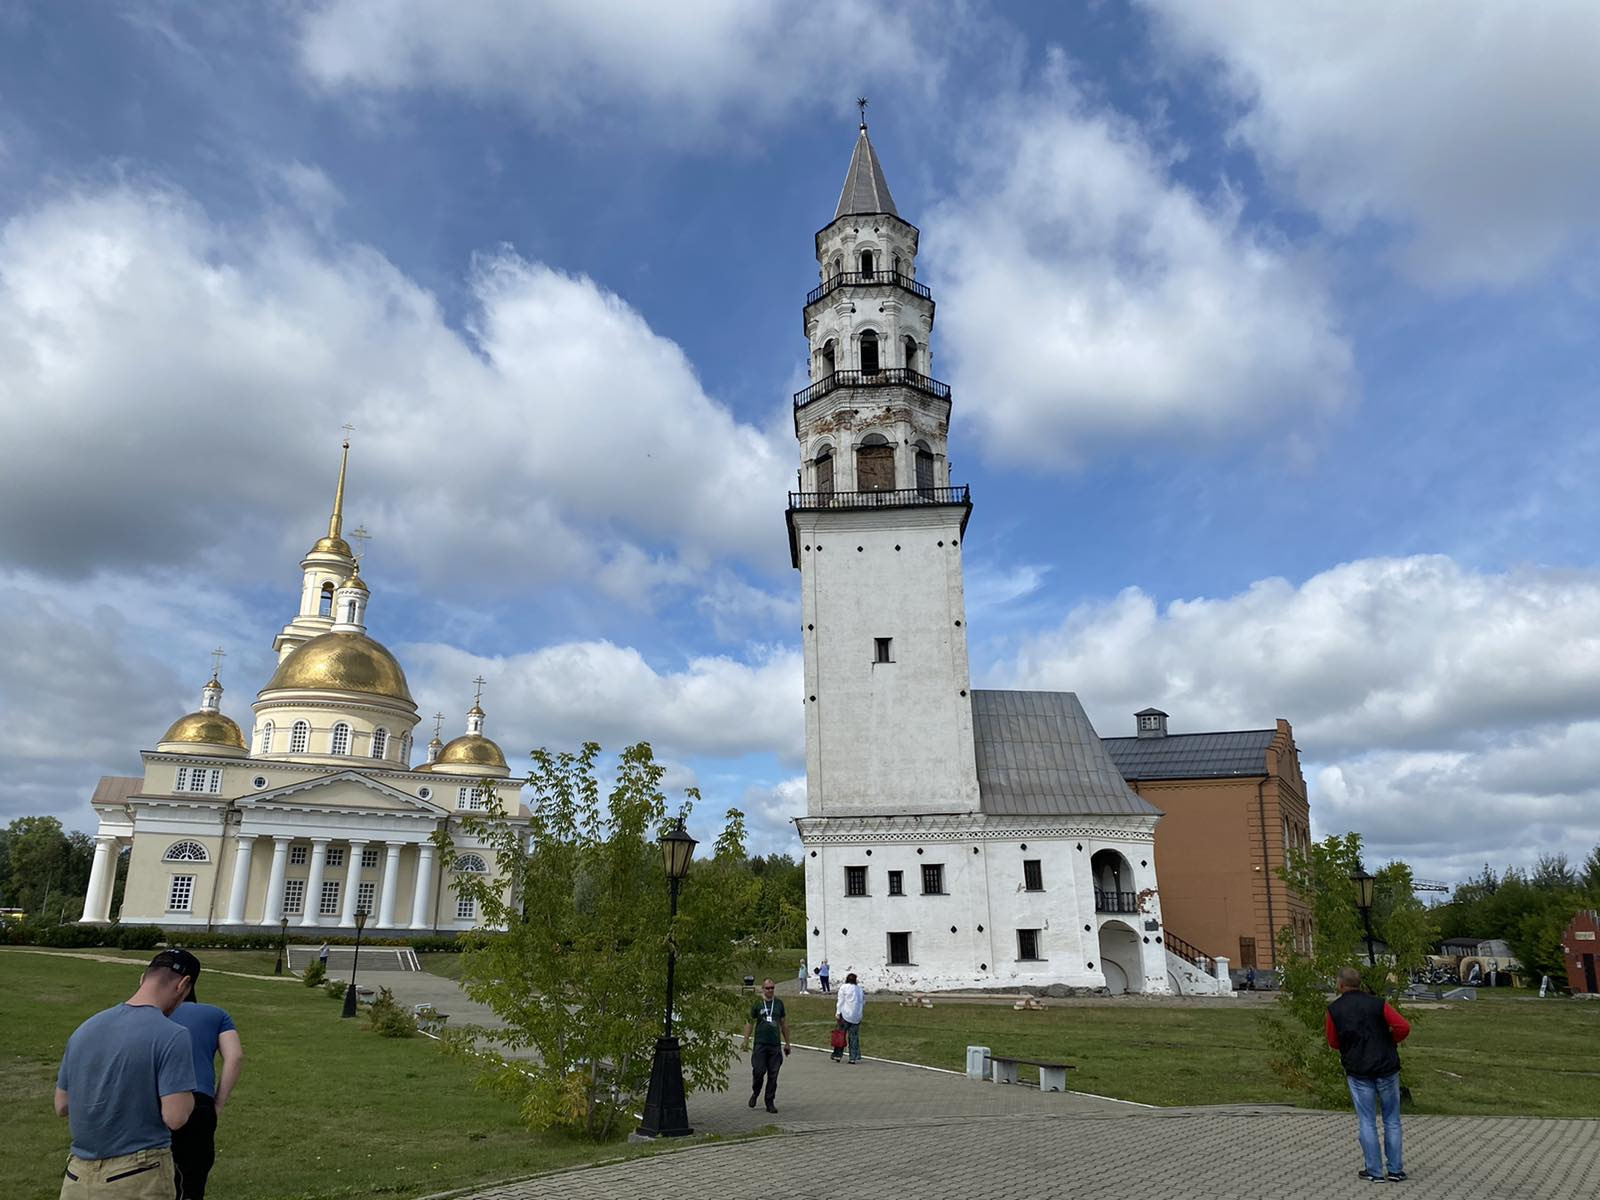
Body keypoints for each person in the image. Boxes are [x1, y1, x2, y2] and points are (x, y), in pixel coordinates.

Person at [55, 949, 199, 1198]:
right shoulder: (173, 1034)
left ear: (143, 978)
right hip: (138, 1174)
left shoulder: (86, 1028)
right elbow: (176, 1117)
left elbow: (62, 1104)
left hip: (77, 1175)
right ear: (183, 985)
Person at [167, 958, 244, 1199]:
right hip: (199, 1100)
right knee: (193, 1178)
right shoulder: (216, 1015)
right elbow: (235, 1057)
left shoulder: (152, 1013)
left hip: (157, 1100)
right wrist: (218, 1103)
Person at [1325, 966, 1410, 1183]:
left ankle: (1374, 1170)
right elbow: (1402, 1026)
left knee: (1367, 1120)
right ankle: (1395, 1169)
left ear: (1340, 985)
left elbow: (1333, 1042)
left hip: (1358, 1069)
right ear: (1360, 984)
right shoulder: (1378, 1004)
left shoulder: (1335, 1009)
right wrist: (1390, 1040)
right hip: (1386, 1066)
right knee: (1392, 1119)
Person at [741, 978, 791, 1114]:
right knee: (759, 1071)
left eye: (772, 988)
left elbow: (784, 1024)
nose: (770, 990)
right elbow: (749, 1022)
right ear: (762, 989)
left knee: (773, 1075)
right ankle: (755, 1092)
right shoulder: (757, 1004)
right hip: (760, 1045)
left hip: (774, 1045)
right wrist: (746, 1040)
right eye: (767, 988)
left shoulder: (779, 1004)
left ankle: (769, 1101)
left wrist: (787, 1043)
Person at [834, 972, 866, 1064]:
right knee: (854, 1037)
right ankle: (853, 1057)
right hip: (857, 1016)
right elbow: (863, 1002)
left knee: (841, 1035)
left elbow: (840, 1001)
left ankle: (838, 1055)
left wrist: (838, 1012)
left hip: (846, 1014)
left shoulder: (844, 987)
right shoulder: (859, 989)